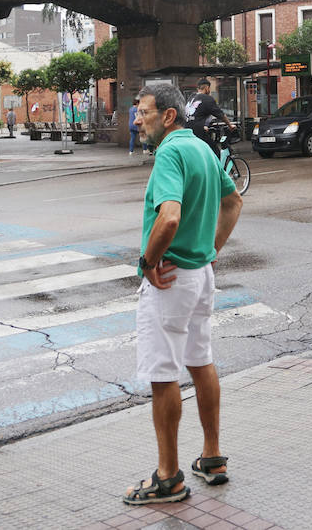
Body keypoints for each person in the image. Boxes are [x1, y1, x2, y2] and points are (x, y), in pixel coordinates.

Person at [122, 82, 243, 506]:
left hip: (171, 279)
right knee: (200, 360)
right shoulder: (203, 150)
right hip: (200, 275)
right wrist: (210, 251)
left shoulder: (171, 152)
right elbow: (233, 204)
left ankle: (168, 477)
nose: (138, 119)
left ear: (168, 116)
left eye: (144, 112)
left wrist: (148, 262)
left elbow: (169, 216)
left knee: (163, 374)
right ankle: (212, 457)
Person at [185, 78, 234, 158]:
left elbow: (197, 114)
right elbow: (221, 115)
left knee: (203, 153)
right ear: (207, 88)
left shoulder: (192, 97)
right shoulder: (207, 99)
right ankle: (215, 170)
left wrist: (205, 125)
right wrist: (230, 125)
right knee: (215, 152)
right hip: (198, 133)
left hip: (187, 131)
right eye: (209, 89)